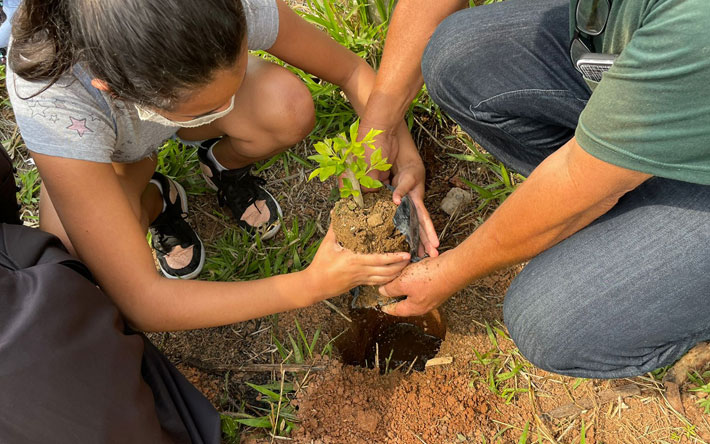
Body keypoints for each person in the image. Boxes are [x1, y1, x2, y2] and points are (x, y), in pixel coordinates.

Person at [6, 0, 419, 333]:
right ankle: (156, 201)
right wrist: (308, 286)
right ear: (109, 88)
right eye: (207, 108)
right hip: (110, 156)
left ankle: (222, 166)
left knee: (287, 108)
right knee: (70, 257)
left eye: (235, 83)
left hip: (158, 111)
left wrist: (396, 142)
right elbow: (144, 303)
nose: (225, 109)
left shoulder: (218, 8)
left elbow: (349, 70)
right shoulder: (53, 98)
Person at [363, 0, 710, 379]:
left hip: (689, 66)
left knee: (549, 321)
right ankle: (637, 187)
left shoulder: (695, 21)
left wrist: (447, 272)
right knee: (456, 55)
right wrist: (379, 124)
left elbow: (578, 179)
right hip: (650, 53)